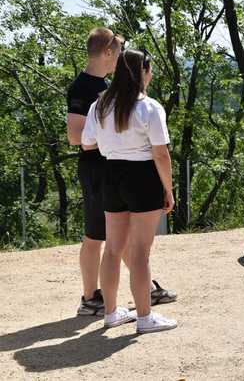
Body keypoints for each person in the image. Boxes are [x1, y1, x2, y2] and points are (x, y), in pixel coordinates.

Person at [67, 27, 176, 318]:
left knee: (115, 247)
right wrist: (168, 188)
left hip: (110, 171)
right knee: (126, 246)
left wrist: (111, 142)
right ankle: (135, 312)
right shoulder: (146, 106)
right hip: (127, 174)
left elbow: (88, 139)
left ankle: (113, 310)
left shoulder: (102, 100)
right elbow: (160, 153)